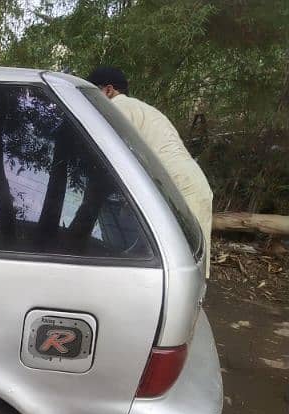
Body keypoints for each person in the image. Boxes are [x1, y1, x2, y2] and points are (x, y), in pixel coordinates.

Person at [87, 66, 213, 277]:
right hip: (189, 180)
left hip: (177, 183)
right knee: (189, 259)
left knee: (180, 266)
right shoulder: (140, 108)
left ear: (108, 90)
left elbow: (113, 156)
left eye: (94, 92)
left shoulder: (118, 108)